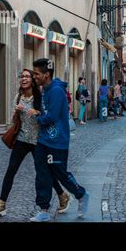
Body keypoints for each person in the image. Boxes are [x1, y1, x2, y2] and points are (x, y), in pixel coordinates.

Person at [0, 69, 69, 217]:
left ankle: (62, 195)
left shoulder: (41, 97)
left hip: (39, 141)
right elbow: (15, 121)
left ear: (33, 79)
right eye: (22, 76)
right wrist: (16, 114)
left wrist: (37, 112)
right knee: (11, 170)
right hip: (22, 139)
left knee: (46, 172)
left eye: (27, 76)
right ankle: (1, 203)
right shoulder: (18, 97)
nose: (24, 79)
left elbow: (49, 116)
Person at [29, 58, 89, 222]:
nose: (34, 77)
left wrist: (37, 117)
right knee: (42, 175)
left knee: (60, 174)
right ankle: (44, 210)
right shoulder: (45, 90)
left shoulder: (56, 91)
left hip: (57, 142)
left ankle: (81, 194)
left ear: (46, 75)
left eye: (36, 74)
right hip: (43, 140)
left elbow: (52, 116)